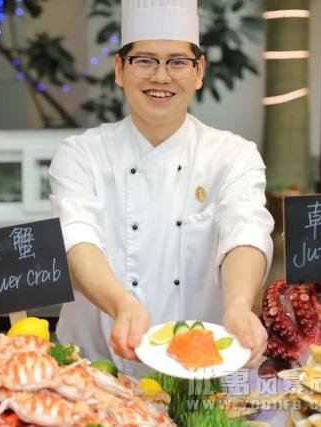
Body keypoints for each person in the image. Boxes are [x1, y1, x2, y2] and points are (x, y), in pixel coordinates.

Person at [49, 0, 274, 376]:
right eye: (145, 60)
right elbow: (76, 240)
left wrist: (238, 305)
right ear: (120, 69)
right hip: (94, 375)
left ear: (199, 70)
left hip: (203, 380)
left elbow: (245, 230)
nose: (161, 77)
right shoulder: (80, 155)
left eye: (177, 61)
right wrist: (123, 305)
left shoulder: (233, 155)